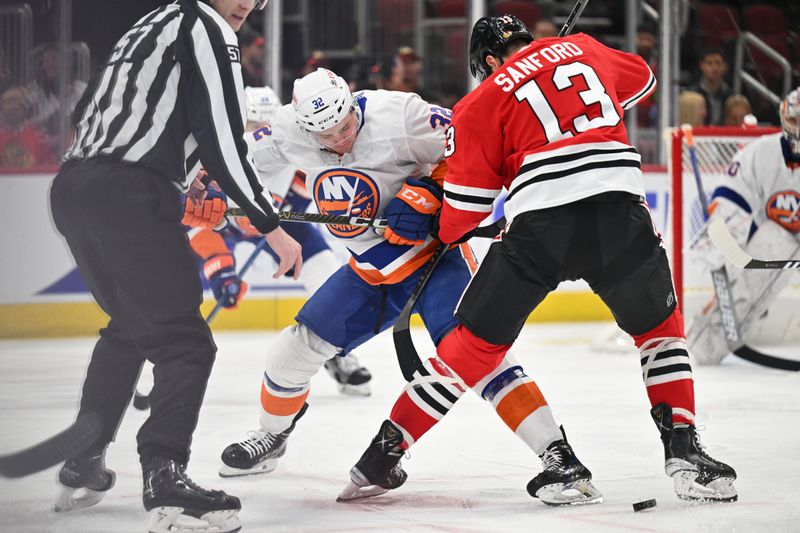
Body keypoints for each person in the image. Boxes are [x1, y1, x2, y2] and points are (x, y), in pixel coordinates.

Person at [217, 67, 602, 506]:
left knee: (478, 354)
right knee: (292, 352)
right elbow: (230, 162)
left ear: (351, 104)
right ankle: (272, 437)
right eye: (327, 137)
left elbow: (475, 145)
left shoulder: (398, 114)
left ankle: (558, 456)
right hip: (372, 267)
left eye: (345, 127)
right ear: (305, 127)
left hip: (435, 257)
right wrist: (214, 194)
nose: (340, 140)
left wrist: (429, 191)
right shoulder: (286, 129)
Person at [429, 14, 737, 503]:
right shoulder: (585, 47)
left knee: (474, 346)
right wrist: (574, 61)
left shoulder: (484, 97)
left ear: (488, 60)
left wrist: (438, 231)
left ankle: (391, 449)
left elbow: (465, 211)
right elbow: (642, 81)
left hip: (542, 228)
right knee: (660, 331)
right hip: (619, 207)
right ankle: (686, 450)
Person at [48, 1, 302, 531]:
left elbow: (98, 115)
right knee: (184, 341)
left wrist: (180, 181)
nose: (247, 4)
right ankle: (165, 477)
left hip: (74, 188)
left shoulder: (146, 25)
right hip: (127, 192)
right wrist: (271, 224)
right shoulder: (204, 23)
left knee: (130, 329)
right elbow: (224, 137)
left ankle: (83, 460)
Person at [188, 85, 373, 395]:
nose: (260, 133)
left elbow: (318, 184)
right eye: (252, 126)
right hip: (230, 226)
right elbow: (201, 228)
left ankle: (337, 354)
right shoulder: (217, 155)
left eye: (266, 126)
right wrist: (222, 272)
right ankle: (170, 356)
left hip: (283, 227)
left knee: (329, 280)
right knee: (181, 287)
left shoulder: (296, 146)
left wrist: (296, 199)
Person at [688, 88, 800, 365]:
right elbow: (731, 199)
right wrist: (720, 239)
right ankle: (706, 341)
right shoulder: (762, 152)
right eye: (795, 120)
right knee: (777, 240)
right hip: (773, 248)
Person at [0, 84, 55, 168]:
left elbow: (48, 166)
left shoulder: (36, 135)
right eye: (11, 101)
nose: (17, 106)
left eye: (22, 102)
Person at [690, 49, 732, 126]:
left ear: (725, 66)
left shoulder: (731, 95)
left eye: (718, 63)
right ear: (702, 66)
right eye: (709, 63)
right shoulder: (692, 94)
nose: (714, 68)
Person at [238, 23, 265, 87]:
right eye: (259, 47)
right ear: (245, 48)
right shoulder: (237, 71)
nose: (262, 51)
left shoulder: (259, 73)